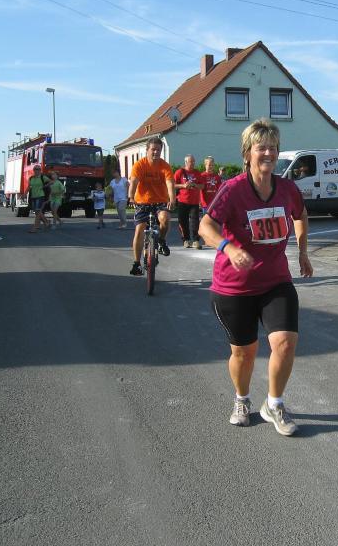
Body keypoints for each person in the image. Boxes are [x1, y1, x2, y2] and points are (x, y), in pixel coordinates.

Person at [198, 118, 313, 437]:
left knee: (285, 343)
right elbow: (205, 226)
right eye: (262, 147)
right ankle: (241, 399)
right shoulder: (233, 189)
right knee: (244, 352)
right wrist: (229, 248)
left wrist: (303, 251)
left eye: (273, 147)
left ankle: (274, 404)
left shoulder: (287, 189)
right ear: (247, 153)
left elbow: (301, 215)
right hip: (234, 286)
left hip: (275, 282)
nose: (269, 153)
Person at [127, 137, 176, 276]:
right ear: (147, 150)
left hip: (160, 201)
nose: (156, 152)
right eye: (153, 149)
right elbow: (134, 182)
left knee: (165, 218)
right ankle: (136, 264)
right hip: (142, 202)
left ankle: (161, 241)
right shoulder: (140, 165)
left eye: (158, 150)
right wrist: (131, 197)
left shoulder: (165, 166)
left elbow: (170, 183)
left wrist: (172, 199)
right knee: (139, 229)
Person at [174, 154, 204, 249]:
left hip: (194, 202)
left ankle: (195, 240)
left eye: (194, 161)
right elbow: (173, 185)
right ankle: (186, 240)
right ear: (186, 162)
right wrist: (183, 186)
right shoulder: (180, 172)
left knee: (195, 222)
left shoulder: (197, 173)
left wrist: (195, 185)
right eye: (191, 161)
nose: (193, 163)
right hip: (182, 201)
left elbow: (202, 186)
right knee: (183, 222)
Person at [27, 165, 50, 233]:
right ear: (33, 170)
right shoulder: (31, 178)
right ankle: (46, 221)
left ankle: (35, 228)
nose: (37, 171)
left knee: (38, 211)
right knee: (37, 212)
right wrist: (24, 194)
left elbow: (51, 182)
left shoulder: (43, 177)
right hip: (33, 196)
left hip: (40, 196)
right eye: (35, 169)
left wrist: (45, 186)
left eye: (38, 169)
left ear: (40, 171)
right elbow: (29, 187)